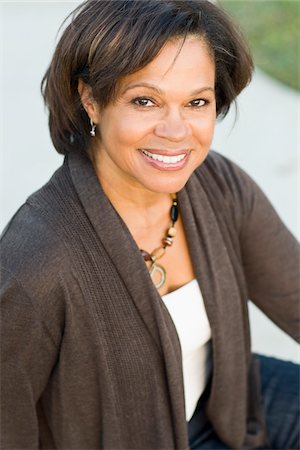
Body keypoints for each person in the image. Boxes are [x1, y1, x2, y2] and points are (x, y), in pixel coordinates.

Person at [1, 0, 299, 449]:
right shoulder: (38, 259)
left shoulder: (219, 186)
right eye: (145, 100)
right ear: (91, 100)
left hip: (226, 406)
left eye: (196, 101)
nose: (176, 131)